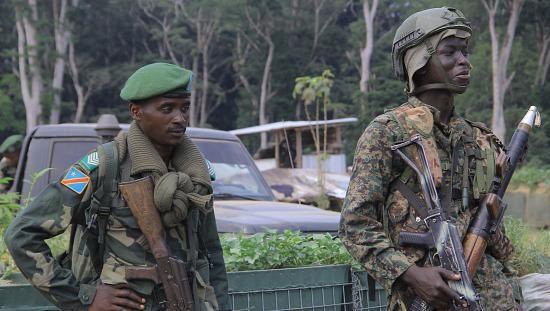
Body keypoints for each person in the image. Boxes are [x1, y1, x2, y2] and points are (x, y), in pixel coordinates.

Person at [5, 63, 231, 311]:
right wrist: (83, 298)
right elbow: (22, 235)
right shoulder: (102, 166)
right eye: (167, 108)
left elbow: (212, 256)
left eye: (184, 108)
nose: (180, 118)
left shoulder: (197, 173)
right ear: (136, 111)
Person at [339, 7, 523, 311]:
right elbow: (355, 226)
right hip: (427, 301)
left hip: (493, 298)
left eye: (464, 51)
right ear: (419, 62)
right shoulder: (387, 133)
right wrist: (411, 274)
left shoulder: (477, 138)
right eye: (450, 52)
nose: (464, 61)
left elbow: (496, 241)